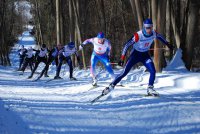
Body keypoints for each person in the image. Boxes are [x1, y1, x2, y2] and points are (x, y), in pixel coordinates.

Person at [102, 18, 174, 96]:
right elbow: (127, 45)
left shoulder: (154, 33)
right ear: (144, 27)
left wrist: (167, 44)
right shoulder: (138, 35)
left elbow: (160, 37)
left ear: (152, 27)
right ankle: (111, 86)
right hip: (135, 55)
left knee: (153, 71)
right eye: (147, 27)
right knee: (124, 72)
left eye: (150, 27)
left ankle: (150, 88)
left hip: (145, 55)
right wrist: (122, 58)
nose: (149, 29)